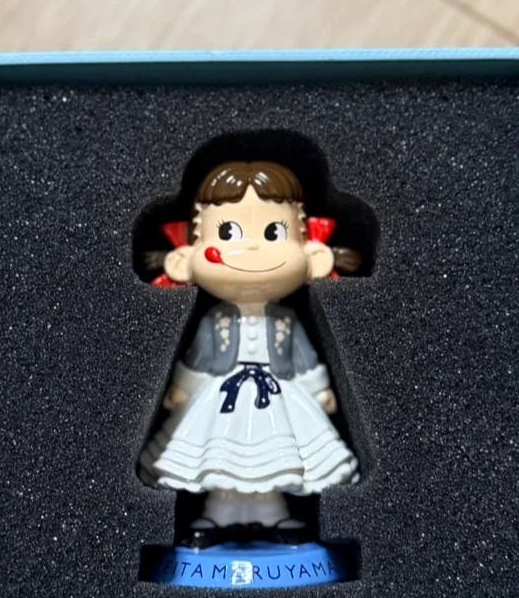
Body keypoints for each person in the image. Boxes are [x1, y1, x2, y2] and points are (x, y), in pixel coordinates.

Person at [139, 159, 360, 547]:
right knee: (220, 457)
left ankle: (271, 512)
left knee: (276, 457)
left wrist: (318, 387)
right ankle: (219, 512)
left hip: (277, 393)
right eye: (228, 232)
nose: (253, 248)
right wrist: (184, 389)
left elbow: (303, 357)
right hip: (222, 394)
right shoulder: (216, 321)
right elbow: (199, 358)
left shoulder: (285, 320)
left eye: (275, 232)